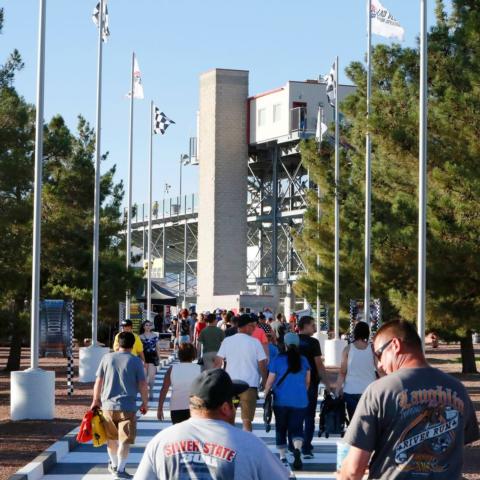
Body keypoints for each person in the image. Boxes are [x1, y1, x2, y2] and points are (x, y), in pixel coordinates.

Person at [339, 319, 480, 480]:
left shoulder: (379, 391)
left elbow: (353, 470)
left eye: (379, 354)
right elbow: (459, 446)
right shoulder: (458, 389)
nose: (379, 365)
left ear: (395, 345)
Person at [134, 369, 289, 479]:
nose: (236, 407)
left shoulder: (161, 442)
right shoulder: (251, 445)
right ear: (226, 408)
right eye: (235, 402)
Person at [91, 331, 148, 479]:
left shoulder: (107, 358)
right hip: (128, 406)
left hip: (108, 405)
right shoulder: (136, 361)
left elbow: (99, 382)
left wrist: (95, 400)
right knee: (125, 440)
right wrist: (145, 402)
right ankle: (121, 469)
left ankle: (114, 465)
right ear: (133, 344)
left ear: (118, 343)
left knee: (111, 438)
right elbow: (142, 383)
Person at [264, 333, 310, 470]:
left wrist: (266, 393)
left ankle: (283, 457)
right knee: (297, 428)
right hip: (300, 400)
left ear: (284, 344)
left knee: (281, 427)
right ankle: (297, 450)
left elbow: (270, 381)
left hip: (281, 401)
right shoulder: (304, 360)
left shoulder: (278, 359)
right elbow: (308, 382)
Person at [214, 314, 268, 431]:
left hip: (231, 385)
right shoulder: (255, 342)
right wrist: (264, 380)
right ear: (246, 326)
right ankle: (246, 445)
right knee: (247, 420)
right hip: (249, 385)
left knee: (229, 417)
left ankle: (230, 443)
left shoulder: (227, 341)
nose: (254, 329)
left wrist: (215, 380)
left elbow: (218, 362)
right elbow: (262, 364)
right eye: (252, 326)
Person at [297, 315, 332, 458]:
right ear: (305, 326)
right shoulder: (313, 342)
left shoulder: (292, 340)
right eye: (312, 325)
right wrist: (327, 383)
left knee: (295, 415)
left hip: (294, 383)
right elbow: (319, 364)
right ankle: (306, 447)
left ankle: (295, 445)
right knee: (309, 416)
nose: (314, 327)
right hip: (310, 382)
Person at [335, 321, 377, 422]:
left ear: (355, 333)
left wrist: (337, 390)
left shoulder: (347, 349)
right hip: (369, 391)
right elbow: (379, 369)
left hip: (350, 391)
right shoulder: (372, 349)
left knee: (354, 422)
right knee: (368, 423)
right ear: (367, 333)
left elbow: (342, 372)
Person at [157, 343, 201, 424]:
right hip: (195, 407)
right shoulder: (199, 369)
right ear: (193, 354)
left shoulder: (172, 369)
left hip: (176, 407)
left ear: (179, 354)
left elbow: (164, 389)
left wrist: (160, 408)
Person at [139, 320, 161, 400]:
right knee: (144, 377)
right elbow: (139, 349)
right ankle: (145, 393)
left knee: (151, 376)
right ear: (143, 326)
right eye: (146, 325)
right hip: (143, 358)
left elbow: (157, 348)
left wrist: (159, 357)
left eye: (149, 325)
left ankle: (151, 391)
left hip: (152, 357)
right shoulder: (140, 337)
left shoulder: (155, 335)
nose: (148, 327)